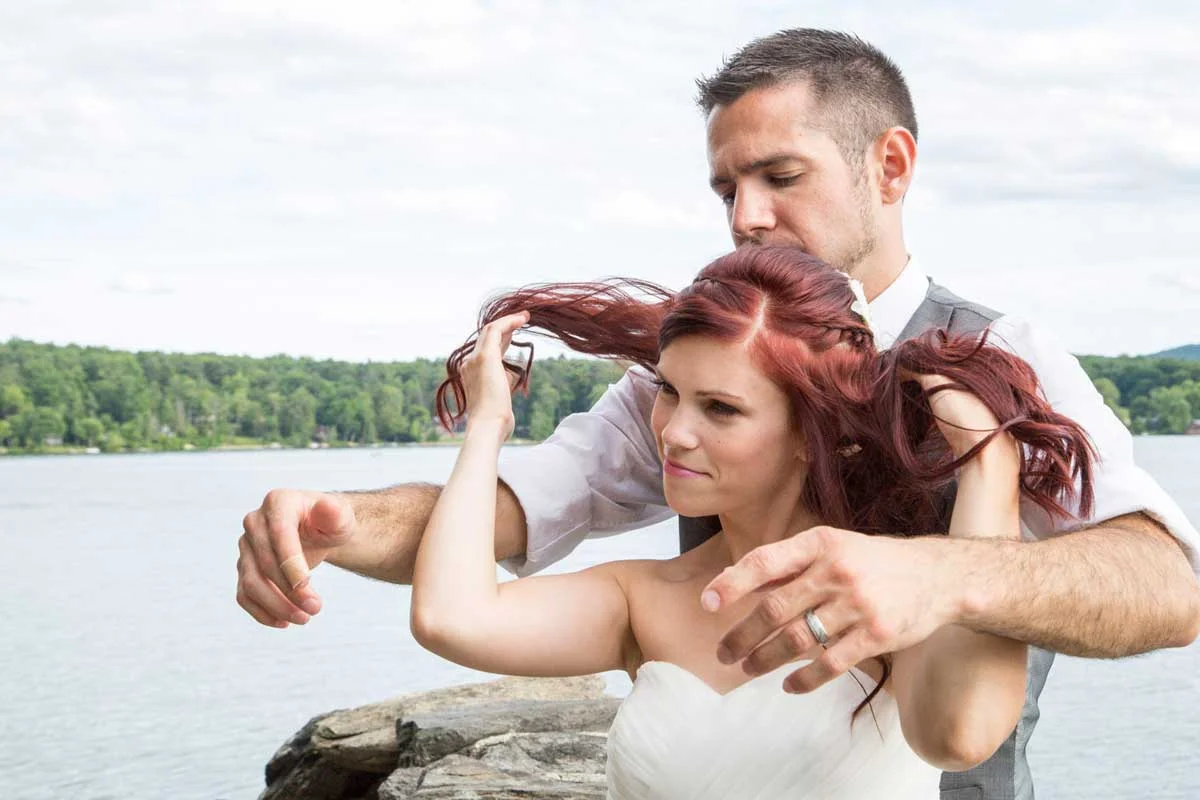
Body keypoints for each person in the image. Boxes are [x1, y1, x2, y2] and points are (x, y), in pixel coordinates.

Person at [236, 28, 1200, 800]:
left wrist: (942, 573)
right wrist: (338, 524)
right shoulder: (692, 371)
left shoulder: (1003, 360)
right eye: (726, 188)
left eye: (780, 177)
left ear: (891, 166)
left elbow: (1168, 584)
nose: (744, 216)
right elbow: (514, 508)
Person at [410, 244, 1095, 798]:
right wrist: (488, 424)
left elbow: (961, 737)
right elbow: (449, 617)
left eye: (720, 408)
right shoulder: (639, 599)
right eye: (670, 392)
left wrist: (988, 463)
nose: (673, 432)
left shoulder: (886, 593)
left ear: (815, 431)